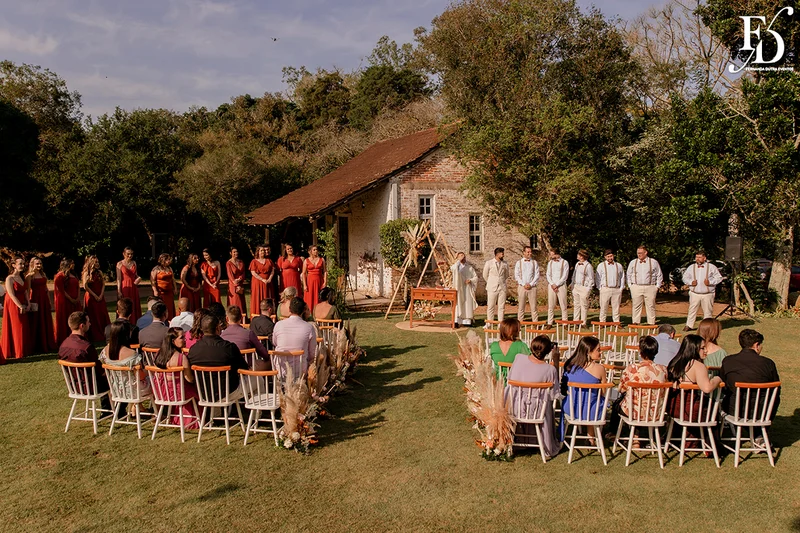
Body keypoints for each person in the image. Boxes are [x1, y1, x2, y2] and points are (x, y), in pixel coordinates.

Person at [506, 334, 561, 458]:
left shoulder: (519, 358)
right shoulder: (550, 369)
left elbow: (510, 379)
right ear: (548, 352)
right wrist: (556, 361)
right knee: (547, 403)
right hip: (536, 411)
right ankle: (539, 439)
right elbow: (554, 394)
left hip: (516, 407)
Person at [719, 329, 780, 417]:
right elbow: (776, 389)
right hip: (761, 411)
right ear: (756, 345)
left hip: (735, 410)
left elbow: (724, 386)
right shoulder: (768, 363)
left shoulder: (728, 361)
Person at [667, 335, 723, 426]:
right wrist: (718, 379)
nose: (706, 351)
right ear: (694, 349)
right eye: (703, 348)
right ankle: (706, 438)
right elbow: (707, 388)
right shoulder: (697, 365)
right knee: (712, 406)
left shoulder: (674, 362)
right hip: (689, 411)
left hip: (672, 408)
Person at [187, 314, 248, 395]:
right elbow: (244, 367)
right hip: (227, 391)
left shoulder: (193, 349)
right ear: (218, 328)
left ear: (202, 329)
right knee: (259, 380)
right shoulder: (229, 347)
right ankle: (259, 406)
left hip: (204, 393)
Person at [560, 336, 606, 440]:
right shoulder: (600, 369)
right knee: (593, 401)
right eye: (598, 350)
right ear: (588, 352)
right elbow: (603, 393)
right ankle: (591, 437)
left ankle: (590, 437)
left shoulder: (570, 366)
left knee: (588, 400)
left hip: (572, 408)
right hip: (592, 411)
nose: (600, 352)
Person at [153, 327, 198, 428]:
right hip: (178, 394)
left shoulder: (158, 355)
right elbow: (189, 379)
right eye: (182, 338)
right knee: (195, 389)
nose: (185, 340)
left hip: (161, 392)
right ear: (173, 341)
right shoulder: (182, 358)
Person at [58, 311, 109, 400]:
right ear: (82, 326)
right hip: (92, 387)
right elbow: (101, 371)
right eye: (88, 321)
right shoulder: (86, 347)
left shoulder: (63, 346)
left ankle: (108, 408)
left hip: (75, 387)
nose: (90, 324)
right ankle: (119, 411)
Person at [100, 320, 152, 399]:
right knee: (155, 381)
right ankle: (157, 409)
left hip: (115, 389)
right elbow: (141, 376)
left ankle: (136, 408)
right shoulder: (131, 354)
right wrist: (149, 371)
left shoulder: (105, 351)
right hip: (133, 391)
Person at [618, 336, 668, 418]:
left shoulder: (631, 368)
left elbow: (621, 389)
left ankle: (613, 430)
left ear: (640, 351)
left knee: (617, 404)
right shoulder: (663, 370)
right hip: (655, 413)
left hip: (633, 412)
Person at [272, 297, 317, 377]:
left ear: (289, 310)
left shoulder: (278, 325)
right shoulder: (309, 327)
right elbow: (312, 354)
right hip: (300, 372)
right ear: (303, 310)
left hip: (280, 370)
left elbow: (275, 343)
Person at [682, 251, 723, 331]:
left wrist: (710, 282)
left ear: (704, 258)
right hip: (695, 293)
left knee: (708, 311)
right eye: (696, 257)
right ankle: (689, 325)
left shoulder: (711, 267)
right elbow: (685, 277)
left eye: (699, 257)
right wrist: (690, 282)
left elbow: (719, 278)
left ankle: (707, 327)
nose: (697, 259)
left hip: (707, 293)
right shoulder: (691, 267)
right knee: (692, 310)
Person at [221, 305, 271, 370]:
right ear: (241, 318)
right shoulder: (248, 334)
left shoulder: (222, 336)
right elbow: (263, 353)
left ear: (227, 318)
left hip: (229, 370)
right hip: (247, 370)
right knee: (270, 362)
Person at [2, 256, 31, 360]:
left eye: (23, 264)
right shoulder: (9, 278)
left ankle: (24, 349)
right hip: (13, 304)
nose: (22, 266)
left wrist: (28, 303)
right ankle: (17, 351)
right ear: (14, 265)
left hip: (23, 302)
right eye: (20, 264)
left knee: (24, 326)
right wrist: (20, 305)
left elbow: (25, 291)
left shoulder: (22, 278)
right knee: (17, 326)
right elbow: (10, 294)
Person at [26, 256, 56, 353]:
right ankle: (37, 344)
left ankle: (47, 342)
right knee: (36, 321)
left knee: (45, 320)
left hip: (44, 299)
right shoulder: (29, 276)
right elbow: (28, 290)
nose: (39, 265)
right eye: (37, 264)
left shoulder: (43, 274)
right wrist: (29, 302)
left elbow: (46, 288)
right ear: (32, 265)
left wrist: (49, 300)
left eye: (40, 263)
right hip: (35, 298)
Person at [627, 245, 663, 325]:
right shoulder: (633, 262)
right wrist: (630, 286)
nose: (639, 255)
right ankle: (635, 322)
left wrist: (657, 286)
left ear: (646, 252)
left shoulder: (653, 262)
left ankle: (651, 322)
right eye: (638, 253)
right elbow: (628, 274)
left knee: (651, 305)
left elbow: (659, 274)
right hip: (636, 286)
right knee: (636, 305)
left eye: (640, 253)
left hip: (650, 286)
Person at [82, 255, 111, 343]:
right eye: (96, 262)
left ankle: (104, 333)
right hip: (91, 296)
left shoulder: (100, 272)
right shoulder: (86, 273)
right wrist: (94, 295)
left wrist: (101, 294)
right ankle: (94, 335)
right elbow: (85, 286)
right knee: (93, 315)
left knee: (102, 314)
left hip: (100, 296)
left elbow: (103, 284)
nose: (98, 264)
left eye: (98, 262)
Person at [54, 258, 82, 346]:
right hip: (66, 301)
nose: (73, 265)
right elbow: (61, 290)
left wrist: (77, 297)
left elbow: (78, 286)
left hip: (75, 301)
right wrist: (70, 299)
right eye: (72, 263)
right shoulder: (60, 276)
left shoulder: (74, 274)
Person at [595, 249, 625, 323]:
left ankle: (616, 322)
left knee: (616, 307)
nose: (610, 258)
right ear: (605, 257)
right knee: (603, 306)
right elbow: (597, 278)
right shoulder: (601, 265)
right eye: (608, 256)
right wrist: (600, 288)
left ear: (613, 256)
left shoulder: (619, 265)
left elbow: (622, 277)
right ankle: (602, 321)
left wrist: (621, 288)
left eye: (611, 256)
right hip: (605, 288)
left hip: (616, 289)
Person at [450, 252, 478, 327]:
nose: (463, 258)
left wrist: (470, 280)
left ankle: (467, 321)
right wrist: (458, 260)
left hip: (467, 288)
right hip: (459, 288)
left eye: (464, 256)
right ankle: (457, 321)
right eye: (461, 256)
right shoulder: (456, 266)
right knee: (458, 304)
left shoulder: (469, 267)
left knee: (467, 304)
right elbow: (453, 269)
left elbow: (475, 277)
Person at [483, 247, 509, 322]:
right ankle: (489, 322)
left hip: (502, 287)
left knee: (501, 306)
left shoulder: (505, 263)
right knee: (491, 306)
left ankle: (501, 323)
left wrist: (501, 281)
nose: (503, 255)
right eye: (502, 253)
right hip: (492, 287)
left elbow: (507, 274)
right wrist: (491, 281)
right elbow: (485, 275)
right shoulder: (489, 263)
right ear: (497, 254)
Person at [116, 247, 142, 324]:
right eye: (128, 254)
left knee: (134, 305)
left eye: (131, 254)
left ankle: (134, 323)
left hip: (134, 287)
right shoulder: (119, 264)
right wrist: (119, 291)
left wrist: (139, 278)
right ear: (124, 254)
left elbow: (136, 275)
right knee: (125, 305)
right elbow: (119, 278)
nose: (130, 256)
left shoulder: (134, 263)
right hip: (125, 287)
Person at [249, 245, 276, 318]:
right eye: (261, 250)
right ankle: (257, 315)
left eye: (263, 251)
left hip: (268, 282)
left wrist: (270, 278)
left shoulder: (269, 261)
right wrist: (262, 279)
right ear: (258, 252)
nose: (263, 252)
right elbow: (253, 272)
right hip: (258, 282)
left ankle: (269, 315)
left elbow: (272, 270)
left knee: (267, 297)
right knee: (258, 297)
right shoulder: (254, 261)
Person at [514, 246, 540, 322]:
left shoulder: (534, 263)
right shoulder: (519, 263)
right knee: (521, 306)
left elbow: (537, 275)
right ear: (524, 252)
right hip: (522, 287)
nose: (530, 253)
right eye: (528, 252)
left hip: (532, 287)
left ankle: (535, 323)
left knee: (534, 307)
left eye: (530, 252)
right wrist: (523, 284)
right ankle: (520, 322)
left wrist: (531, 284)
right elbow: (517, 275)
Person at [545, 248, 569, 325]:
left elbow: (565, 276)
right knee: (551, 306)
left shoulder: (564, 262)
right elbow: (548, 274)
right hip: (551, 286)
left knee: (563, 305)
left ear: (557, 254)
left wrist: (557, 284)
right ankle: (550, 322)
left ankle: (565, 322)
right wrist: (552, 284)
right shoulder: (550, 263)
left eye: (552, 254)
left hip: (561, 286)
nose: (551, 256)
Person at [151, 253, 177, 320]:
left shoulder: (169, 268)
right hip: (161, 293)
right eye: (167, 260)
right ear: (163, 260)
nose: (169, 261)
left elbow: (173, 279)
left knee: (170, 308)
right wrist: (155, 290)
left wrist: (175, 288)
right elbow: (153, 281)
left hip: (169, 293)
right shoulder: (156, 269)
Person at [571, 249, 594, 325]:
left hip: (584, 287)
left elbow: (591, 278)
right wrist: (572, 284)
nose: (577, 256)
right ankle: (576, 321)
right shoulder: (577, 264)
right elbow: (574, 275)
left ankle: (583, 322)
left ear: (582, 256)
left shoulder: (588, 266)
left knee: (583, 305)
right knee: (576, 304)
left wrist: (588, 289)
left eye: (578, 255)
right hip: (576, 286)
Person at [302, 245, 327, 314]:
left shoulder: (322, 259)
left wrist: (325, 282)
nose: (316, 251)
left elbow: (325, 271)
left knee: (320, 296)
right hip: (310, 281)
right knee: (310, 297)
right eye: (314, 250)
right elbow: (304, 273)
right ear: (310, 251)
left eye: (316, 250)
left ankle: (319, 312)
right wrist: (304, 285)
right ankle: (309, 312)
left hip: (319, 280)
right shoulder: (306, 261)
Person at [226, 247, 247, 321]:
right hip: (233, 285)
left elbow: (243, 272)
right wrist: (235, 284)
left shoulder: (241, 262)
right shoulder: (228, 263)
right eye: (234, 252)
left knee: (241, 301)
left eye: (237, 251)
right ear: (230, 253)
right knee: (235, 301)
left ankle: (243, 319)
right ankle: (234, 318)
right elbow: (230, 275)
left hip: (240, 283)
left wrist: (240, 279)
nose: (236, 253)